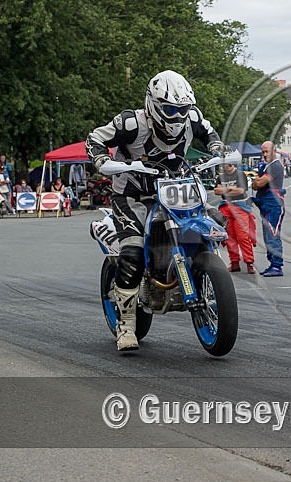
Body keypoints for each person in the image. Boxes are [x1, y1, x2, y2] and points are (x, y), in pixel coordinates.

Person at [86, 70, 224, 351]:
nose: (176, 115)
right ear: (154, 104)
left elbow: (210, 134)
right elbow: (94, 139)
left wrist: (218, 147)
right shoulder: (130, 123)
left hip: (176, 188)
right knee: (133, 251)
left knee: (218, 218)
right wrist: (101, 158)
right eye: (170, 109)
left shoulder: (192, 119)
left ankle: (200, 273)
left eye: (182, 109)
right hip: (133, 195)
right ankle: (126, 326)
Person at [214, 162, 256, 274]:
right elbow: (216, 191)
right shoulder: (220, 177)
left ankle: (249, 262)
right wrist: (231, 188)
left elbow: (241, 190)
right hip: (226, 207)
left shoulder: (240, 174)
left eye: (226, 164)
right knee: (229, 237)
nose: (224, 166)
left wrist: (225, 190)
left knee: (243, 236)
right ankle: (234, 263)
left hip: (240, 207)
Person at [252, 141, 285, 277]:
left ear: (274, 151)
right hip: (266, 204)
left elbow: (259, 183)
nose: (265, 155)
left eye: (267, 151)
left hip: (274, 206)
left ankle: (277, 265)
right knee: (268, 236)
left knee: (272, 235)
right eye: (263, 152)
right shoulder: (267, 166)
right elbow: (256, 185)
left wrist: (256, 181)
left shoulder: (275, 166)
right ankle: (273, 263)